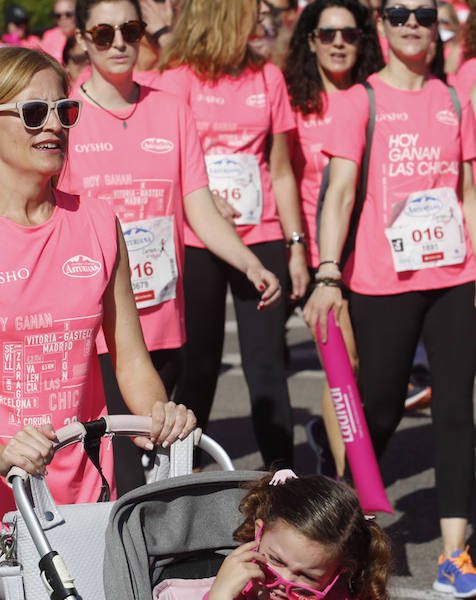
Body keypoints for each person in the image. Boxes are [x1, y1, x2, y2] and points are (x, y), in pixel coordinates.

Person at [0, 47, 198, 600]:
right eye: (34, 114)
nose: (54, 124)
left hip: (80, 501)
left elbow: (129, 358)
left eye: (64, 110)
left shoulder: (98, 223)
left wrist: (160, 415)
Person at [58, 0, 281, 495]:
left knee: (156, 480)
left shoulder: (170, 108)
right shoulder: (65, 116)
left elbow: (198, 205)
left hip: (161, 322)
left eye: (131, 30)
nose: (119, 42)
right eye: (103, 32)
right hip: (98, 333)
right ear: (81, 39)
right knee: (124, 481)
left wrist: (249, 262)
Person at [304, 0, 476, 595]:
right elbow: (340, 191)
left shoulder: (454, 100)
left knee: (455, 413)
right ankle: (347, 531)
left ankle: (455, 555)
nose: (411, 23)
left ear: (437, 27)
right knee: (377, 415)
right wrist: (328, 274)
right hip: (381, 282)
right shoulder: (361, 100)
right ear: (381, 26)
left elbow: (468, 191)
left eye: (423, 13)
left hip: (454, 277)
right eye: (398, 12)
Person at [155, 0, 309, 470]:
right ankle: (181, 477)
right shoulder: (177, 80)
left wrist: (296, 246)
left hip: (260, 235)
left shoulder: (269, 78)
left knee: (267, 366)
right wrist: (199, 195)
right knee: (200, 365)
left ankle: (283, 481)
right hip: (198, 240)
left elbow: (282, 172)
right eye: (253, 11)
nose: (262, 18)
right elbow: (163, 165)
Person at [283, 0, 383, 477]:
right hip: (323, 256)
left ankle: (331, 442)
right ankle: (349, 486)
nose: (338, 42)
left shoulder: (374, 97)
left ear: (362, 40)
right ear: (310, 40)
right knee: (345, 364)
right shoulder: (295, 100)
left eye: (349, 33)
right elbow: (279, 176)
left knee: (369, 371)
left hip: (373, 255)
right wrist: (299, 247)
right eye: (327, 34)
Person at [201, 472, 391, 600]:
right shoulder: (231, 589)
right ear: (259, 532)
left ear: (338, 572)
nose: (284, 581)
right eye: (276, 560)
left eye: (306, 576)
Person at [439, 1, 462, 75]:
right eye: (435, 22)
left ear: (454, 21)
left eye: (443, 21)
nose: (439, 26)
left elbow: (449, 70)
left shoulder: (462, 45)